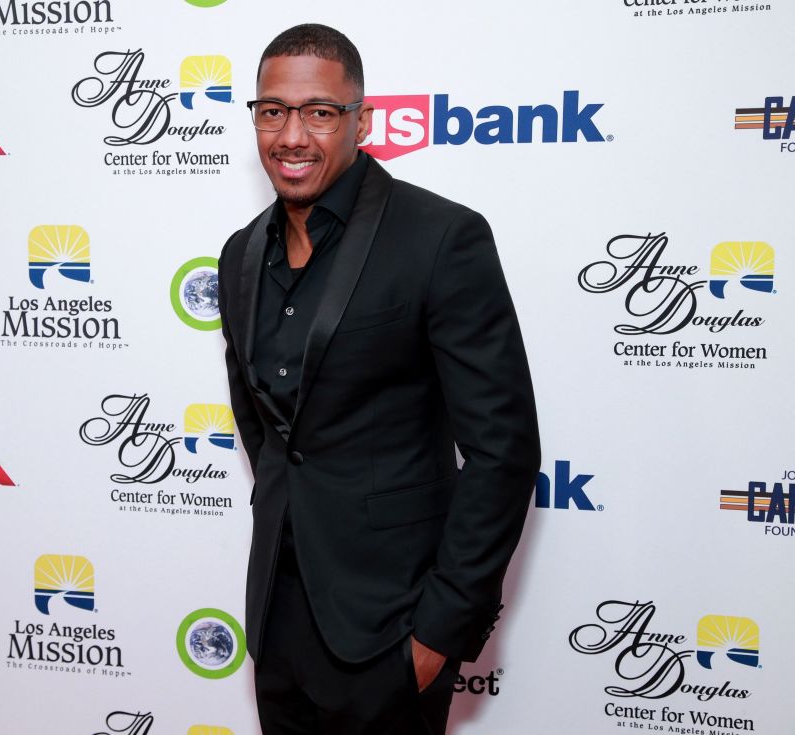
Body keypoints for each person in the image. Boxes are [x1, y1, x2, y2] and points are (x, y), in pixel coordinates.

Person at [218, 23, 540, 735]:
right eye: (272, 110)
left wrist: (436, 635)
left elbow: (503, 449)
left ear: (360, 121)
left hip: (391, 628)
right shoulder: (240, 254)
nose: (291, 135)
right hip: (277, 619)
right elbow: (267, 429)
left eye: (319, 112)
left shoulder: (439, 238)